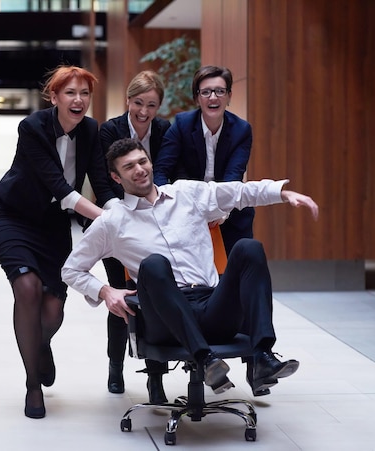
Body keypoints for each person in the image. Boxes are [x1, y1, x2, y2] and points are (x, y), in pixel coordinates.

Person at [62, 138, 318, 397]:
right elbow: (71, 269)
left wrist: (282, 194)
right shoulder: (112, 222)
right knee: (153, 264)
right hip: (165, 321)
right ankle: (205, 361)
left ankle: (263, 356)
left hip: (212, 306)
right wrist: (106, 291)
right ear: (116, 178)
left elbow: (238, 193)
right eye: (129, 167)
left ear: (151, 163)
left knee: (248, 248)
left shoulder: (186, 194)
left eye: (142, 161)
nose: (139, 169)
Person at [0, 65, 117, 419]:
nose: (79, 100)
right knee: (27, 287)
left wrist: (119, 209)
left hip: (53, 226)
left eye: (85, 94)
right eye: (71, 93)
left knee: (53, 310)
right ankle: (32, 385)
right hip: (13, 217)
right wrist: (107, 219)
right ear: (55, 97)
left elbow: (101, 183)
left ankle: (40, 345)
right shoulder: (32, 127)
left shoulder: (92, 131)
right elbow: (59, 187)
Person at [98, 70, 171, 402]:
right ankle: (116, 366)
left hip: (156, 224)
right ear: (128, 100)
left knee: (156, 299)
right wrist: (121, 211)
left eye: (152, 105)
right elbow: (102, 179)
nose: (144, 111)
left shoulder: (166, 130)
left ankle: (155, 378)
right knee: (123, 299)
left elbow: (167, 171)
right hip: (118, 224)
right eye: (139, 103)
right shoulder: (109, 130)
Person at [153, 65, 255, 255]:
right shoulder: (182, 124)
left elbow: (233, 176)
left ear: (229, 96)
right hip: (187, 209)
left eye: (220, 91)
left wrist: (220, 211)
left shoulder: (241, 130)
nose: (213, 97)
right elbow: (161, 170)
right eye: (206, 92)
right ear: (197, 98)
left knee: (236, 270)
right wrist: (166, 204)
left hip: (228, 209)